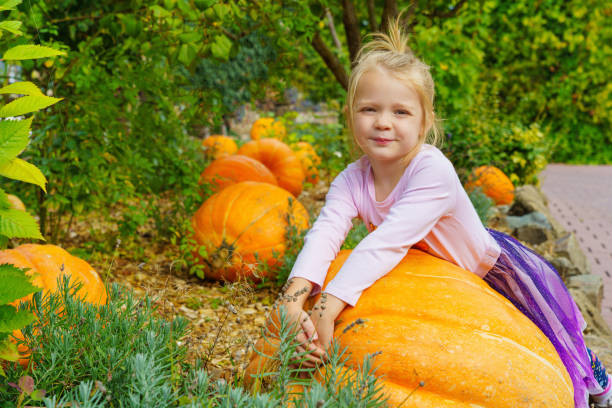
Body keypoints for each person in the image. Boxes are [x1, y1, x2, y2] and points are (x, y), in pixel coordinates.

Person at [278, 17, 611, 408]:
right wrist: (291, 298)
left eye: (401, 112)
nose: (383, 122)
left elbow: (387, 241)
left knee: (549, 342)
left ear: (425, 123)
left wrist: (326, 306)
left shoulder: (431, 170)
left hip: (490, 276)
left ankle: (596, 378)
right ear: (351, 116)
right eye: (369, 109)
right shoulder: (352, 179)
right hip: (435, 281)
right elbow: (325, 234)